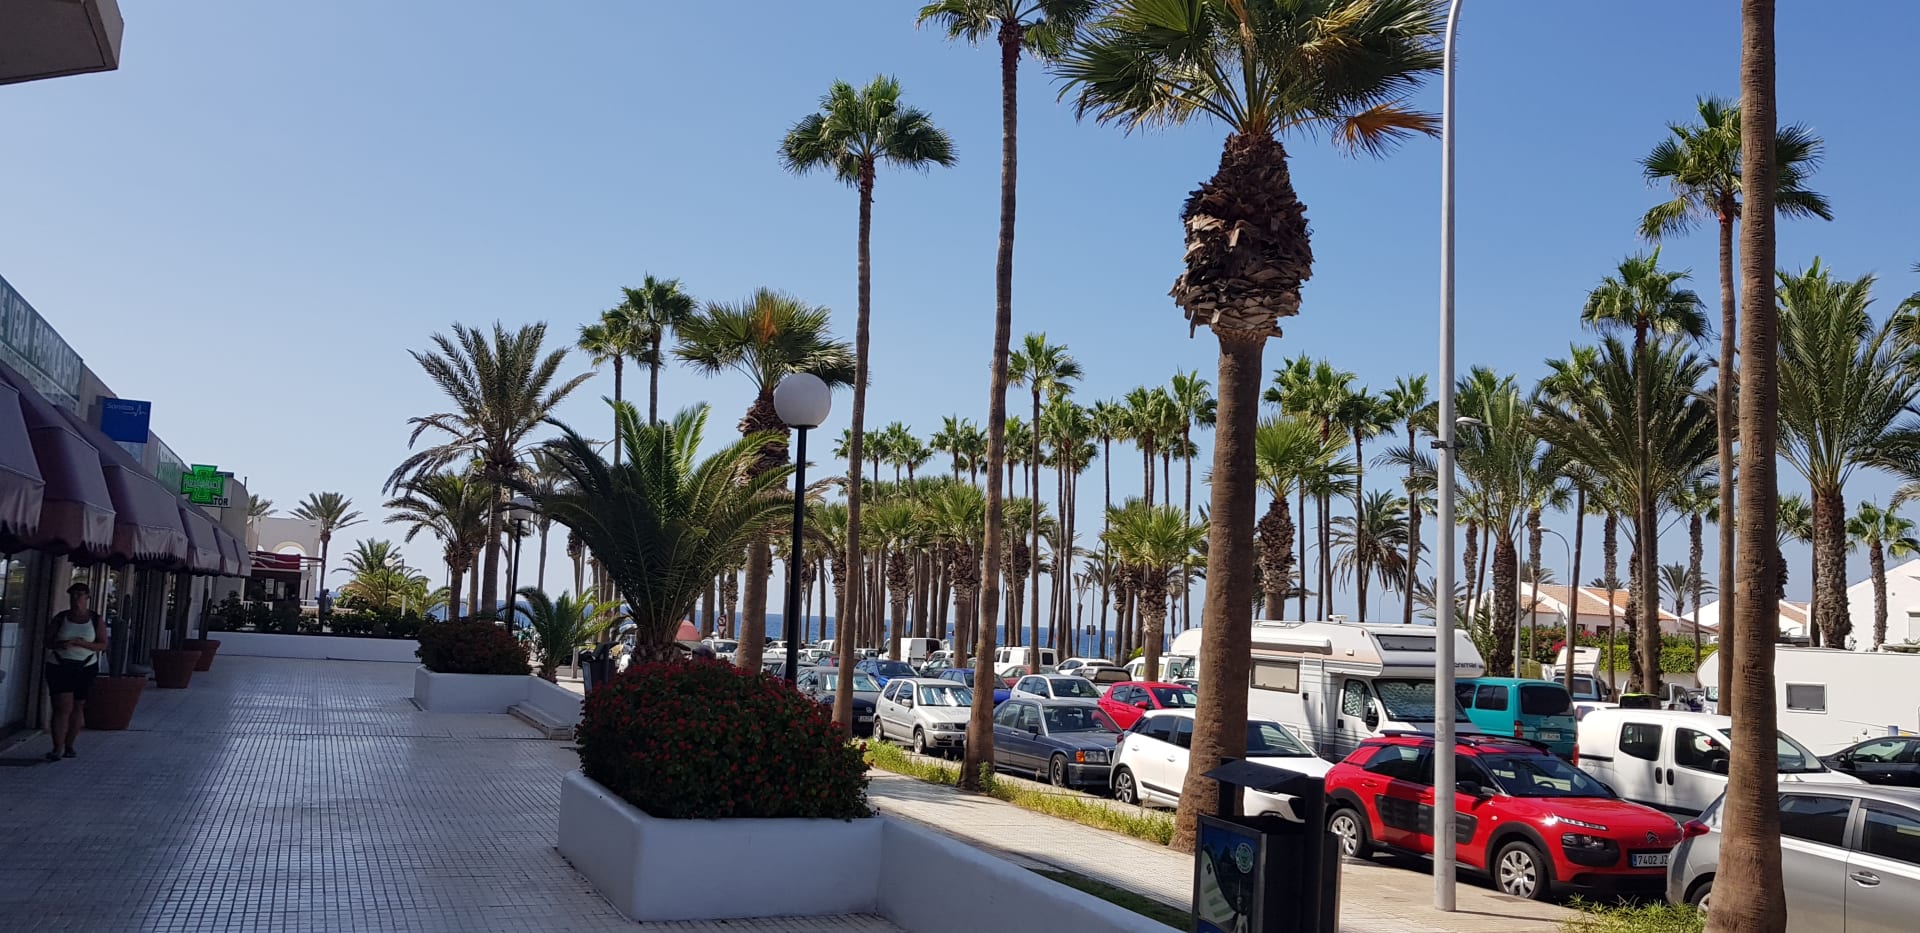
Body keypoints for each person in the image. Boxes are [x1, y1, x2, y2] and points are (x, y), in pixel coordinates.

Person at [44, 582, 108, 762]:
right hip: (59, 665)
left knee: (78, 705)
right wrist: (61, 644)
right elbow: (47, 641)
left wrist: (83, 644)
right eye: (73, 595)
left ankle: (70, 745)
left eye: (80, 595)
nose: (76, 599)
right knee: (62, 706)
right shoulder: (61, 618)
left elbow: (103, 644)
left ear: (87, 598)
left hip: (86, 666)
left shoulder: (95, 619)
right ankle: (57, 747)